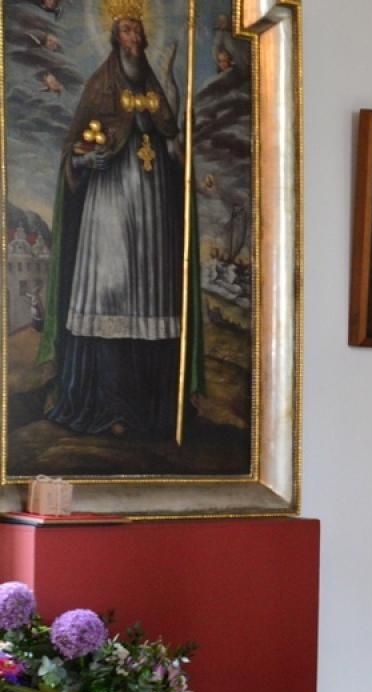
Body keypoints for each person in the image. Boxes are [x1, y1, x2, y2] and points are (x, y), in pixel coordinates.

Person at [42, 11, 202, 438]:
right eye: (126, 30)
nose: (134, 36)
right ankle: (109, 405)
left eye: (137, 29)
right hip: (110, 202)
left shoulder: (154, 85)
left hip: (151, 208)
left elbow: (171, 140)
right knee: (110, 291)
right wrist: (85, 160)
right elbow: (73, 148)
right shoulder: (101, 83)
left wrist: (179, 140)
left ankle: (151, 407)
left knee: (149, 297)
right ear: (115, 38)